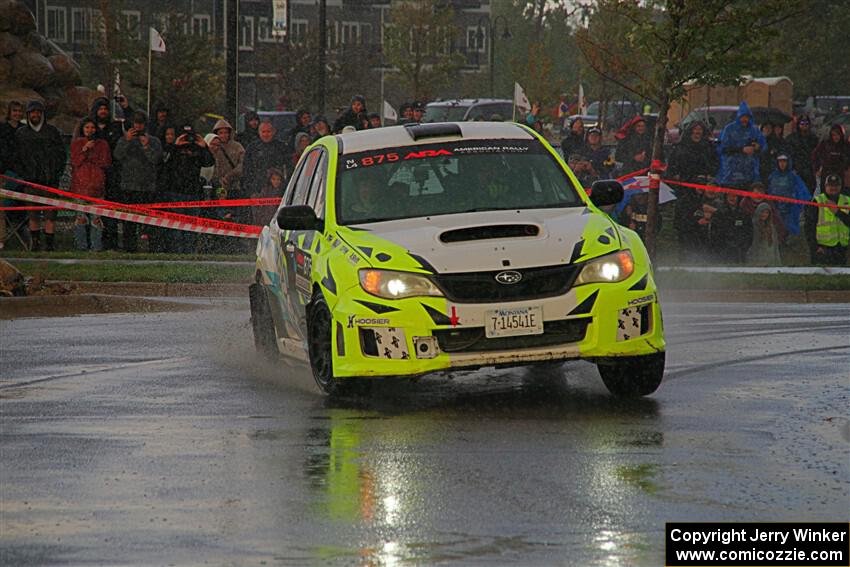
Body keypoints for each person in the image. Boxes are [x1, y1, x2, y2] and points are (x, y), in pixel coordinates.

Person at [15, 101, 66, 251]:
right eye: (32, 112)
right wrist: (24, 174)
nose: (35, 115)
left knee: (50, 215)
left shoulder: (52, 132)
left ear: (42, 114)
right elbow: (16, 157)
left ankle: (50, 246)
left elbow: (61, 155)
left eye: (38, 112)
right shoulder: (21, 133)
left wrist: (56, 173)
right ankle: (35, 245)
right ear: (28, 114)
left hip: (50, 181)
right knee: (33, 214)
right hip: (30, 182)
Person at [113, 111, 163, 252]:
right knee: (129, 221)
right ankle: (130, 248)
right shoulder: (125, 139)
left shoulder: (154, 141)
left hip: (148, 186)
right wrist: (127, 141)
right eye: (136, 123)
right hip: (129, 185)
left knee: (149, 221)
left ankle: (152, 248)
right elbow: (117, 156)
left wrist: (146, 147)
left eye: (141, 123)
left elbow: (156, 160)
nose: (138, 126)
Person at [90, 95, 132, 250]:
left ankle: (111, 243)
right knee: (92, 210)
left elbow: (131, 125)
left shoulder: (115, 127)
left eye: (105, 109)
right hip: (93, 174)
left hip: (113, 174)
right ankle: (92, 243)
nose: (103, 111)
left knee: (111, 210)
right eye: (100, 109)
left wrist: (126, 108)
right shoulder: (88, 126)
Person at [70, 118, 112, 251]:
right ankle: (81, 247)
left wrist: (92, 154)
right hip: (80, 187)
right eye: (87, 127)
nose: (90, 130)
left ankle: (96, 248)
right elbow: (75, 162)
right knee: (80, 218)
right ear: (82, 129)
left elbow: (106, 162)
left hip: (97, 186)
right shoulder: (76, 144)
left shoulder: (103, 144)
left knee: (96, 219)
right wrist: (84, 150)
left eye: (92, 127)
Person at [716, 101, 765, 188]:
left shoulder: (754, 130)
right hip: (730, 174)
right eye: (742, 117)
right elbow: (722, 148)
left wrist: (758, 147)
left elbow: (763, 146)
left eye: (747, 117)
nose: (745, 119)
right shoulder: (729, 129)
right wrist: (741, 149)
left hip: (749, 175)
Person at [805, 174, 849, 265]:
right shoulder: (817, 201)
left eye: (836, 185)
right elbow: (809, 226)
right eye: (830, 185)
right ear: (825, 186)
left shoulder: (847, 200)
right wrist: (815, 247)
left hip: (841, 248)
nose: (833, 188)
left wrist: (837, 212)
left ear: (840, 186)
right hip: (822, 249)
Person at [0, 100, 25, 250]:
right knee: (2, 207)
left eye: (19, 111)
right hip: (4, 172)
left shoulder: (24, 129)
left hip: (20, 173)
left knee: (19, 206)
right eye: (14, 111)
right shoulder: (2, 129)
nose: (17, 114)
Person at [766, 154, 811, 238]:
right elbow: (769, 190)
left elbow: (803, 191)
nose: (782, 164)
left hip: (790, 207)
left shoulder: (793, 176)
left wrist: (797, 203)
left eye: (784, 161)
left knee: (790, 227)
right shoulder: (773, 176)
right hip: (776, 206)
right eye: (780, 161)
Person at [243, 121, 288, 196]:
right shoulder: (252, 148)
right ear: (259, 132)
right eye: (263, 132)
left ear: (273, 132)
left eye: (268, 131)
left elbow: (287, 167)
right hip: (257, 188)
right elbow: (247, 169)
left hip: (278, 189)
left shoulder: (281, 147)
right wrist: (250, 189)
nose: (266, 134)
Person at [709, 192, 752, 264]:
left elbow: (749, 233)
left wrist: (743, 247)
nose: (732, 198)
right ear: (726, 197)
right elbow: (714, 233)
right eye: (730, 196)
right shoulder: (719, 213)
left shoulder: (744, 214)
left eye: (735, 196)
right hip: (722, 253)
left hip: (739, 253)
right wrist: (720, 247)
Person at [785, 115, 818, 192]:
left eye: (806, 123)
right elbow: (788, 154)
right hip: (796, 170)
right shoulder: (791, 138)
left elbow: (817, 154)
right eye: (802, 123)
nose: (804, 125)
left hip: (809, 171)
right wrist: (792, 168)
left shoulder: (813, 139)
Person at [812, 125, 849, 191]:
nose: (836, 137)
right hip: (826, 172)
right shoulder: (825, 144)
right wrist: (816, 169)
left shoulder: (846, 146)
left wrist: (846, 167)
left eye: (838, 135)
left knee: (839, 193)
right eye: (834, 135)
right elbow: (815, 155)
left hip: (840, 173)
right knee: (825, 193)